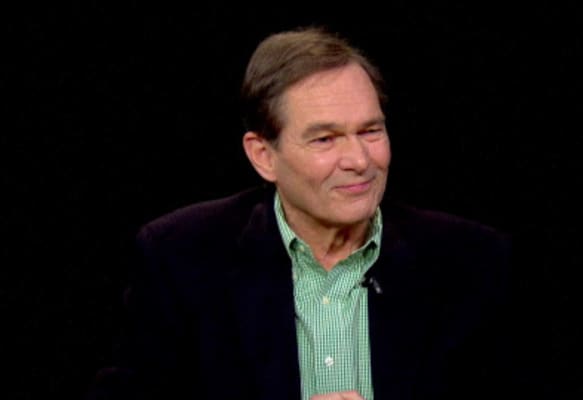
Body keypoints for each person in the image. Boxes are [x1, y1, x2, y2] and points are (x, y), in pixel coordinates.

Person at [89, 26, 535, 400]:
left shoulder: (471, 260)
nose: (359, 160)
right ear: (263, 156)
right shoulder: (180, 257)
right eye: (325, 139)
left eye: (370, 131)